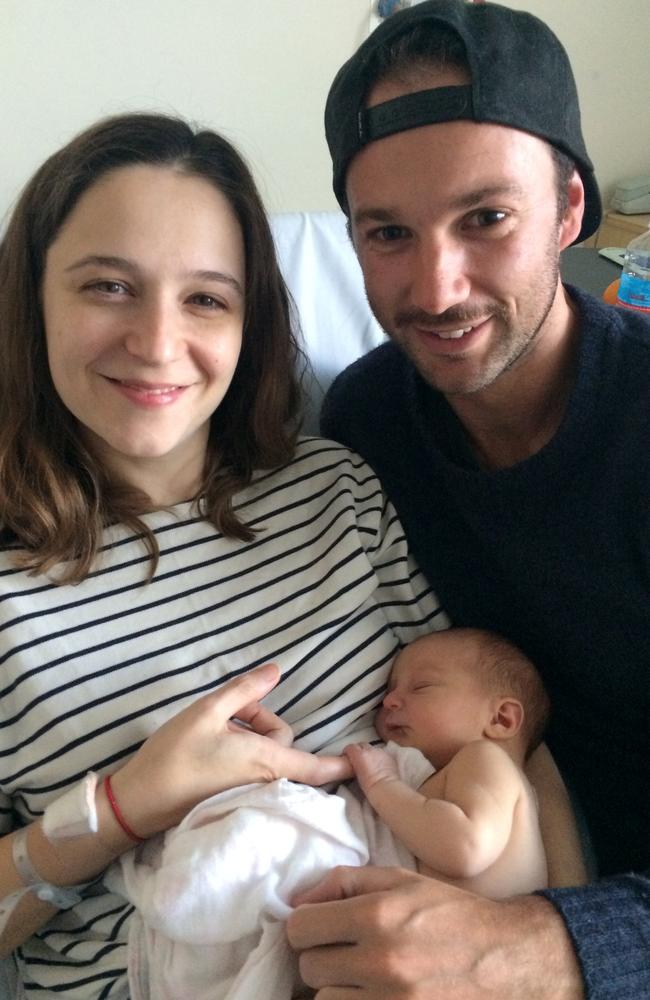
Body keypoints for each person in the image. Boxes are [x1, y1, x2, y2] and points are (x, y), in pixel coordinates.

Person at [0, 111, 446, 998]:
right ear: (32, 298)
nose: (159, 343)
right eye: (108, 287)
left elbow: (485, 734)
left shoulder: (340, 491)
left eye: (206, 297)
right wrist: (121, 806)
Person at [289, 1, 650, 997]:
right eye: (387, 233)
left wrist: (550, 947)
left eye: (484, 218)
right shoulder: (365, 420)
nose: (435, 288)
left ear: (568, 210)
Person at [344, 627, 551, 899]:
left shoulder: (487, 759)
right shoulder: (463, 780)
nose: (389, 700)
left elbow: (465, 847)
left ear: (500, 719)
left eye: (421, 687)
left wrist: (382, 783)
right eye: (390, 690)